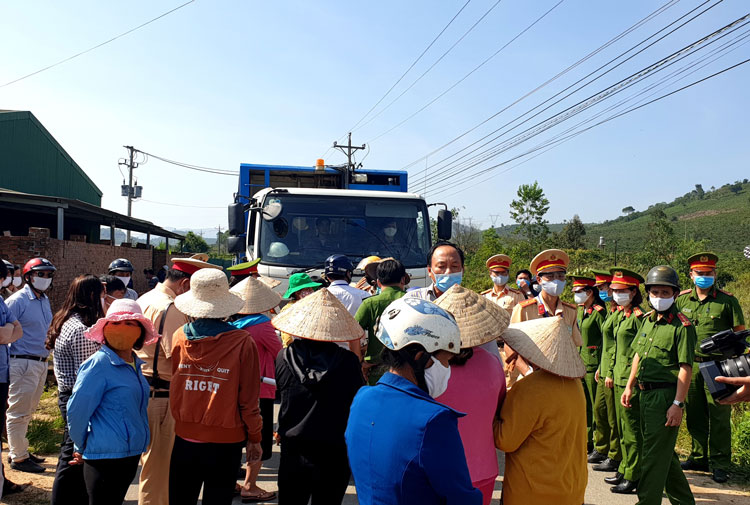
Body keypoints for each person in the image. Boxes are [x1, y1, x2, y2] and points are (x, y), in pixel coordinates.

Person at [346, 296, 482, 505]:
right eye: (445, 360)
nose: (447, 369)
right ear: (420, 357)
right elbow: (461, 498)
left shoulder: (362, 398)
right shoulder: (434, 420)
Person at [169, 268, 263, 505]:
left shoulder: (180, 336)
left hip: (184, 436)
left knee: (180, 499)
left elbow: (176, 383)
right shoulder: (243, 342)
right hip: (226, 442)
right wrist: (255, 437)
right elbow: (249, 399)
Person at [135, 254, 222, 505]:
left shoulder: (146, 298)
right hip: (162, 394)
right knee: (158, 470)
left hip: (147, 388)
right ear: (185, 285)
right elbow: (178, 356)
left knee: (152, 464)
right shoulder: (170, 308)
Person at [272, 289, 365, 504]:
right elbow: (356, 402)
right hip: (333, 450)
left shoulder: (283, 356)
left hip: (292, 448)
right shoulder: (348, 362)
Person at [67, 299, 154, 505]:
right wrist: (81, 445)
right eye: (115, 323)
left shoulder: (134, 363)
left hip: (130, 453)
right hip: (103, 457)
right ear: (105, 329)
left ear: (140, 332)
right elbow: (77, 411)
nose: (122, 328)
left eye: (130, 324)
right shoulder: (98, 364)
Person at [621, 265, 696, 505]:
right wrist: (630, 386)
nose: (659, 297)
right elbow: (637, 355)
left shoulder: (682, 326)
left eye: (665, 293)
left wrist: (678, 404)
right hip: (643, 395)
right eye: (655, 292)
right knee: (662, 453)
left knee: (652, 457)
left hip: (665, 396)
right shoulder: (647, 320)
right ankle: (684, 502)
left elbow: (685, 367)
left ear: (675, 294)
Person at [495, 316, 588, 505]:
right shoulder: (575, 384)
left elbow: (505, 440)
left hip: (534, 492)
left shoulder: (530, 388)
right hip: (571, 489)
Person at [434, 285, 509, 505]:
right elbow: (499, 405)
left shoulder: (429, 366)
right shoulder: (492, 362)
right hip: (483, 466)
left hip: (440, 467)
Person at [677, 252, 745, 483]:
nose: (704, 277)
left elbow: (740, 335)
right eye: (700, 274)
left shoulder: (727, 301)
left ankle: (720, 463)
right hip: (690, 366)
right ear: (691, 275)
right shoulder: (682, 300)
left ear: (715, 274)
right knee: (694, 414)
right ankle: (698, 457)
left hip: (719, 367)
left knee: (719, 415)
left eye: (708, 273)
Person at [47, 275, 105, 504]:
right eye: (101, 295)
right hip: (77, 396)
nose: (103, 299)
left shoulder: (65, 319)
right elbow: (90, 371)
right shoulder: (80, 329)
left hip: (68, 394)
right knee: (71, 452)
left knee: (73, 450)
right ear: (91, 296)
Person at [229, 276, 283, 503]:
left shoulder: (231, 325)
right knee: (257, 439)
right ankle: (250, 486)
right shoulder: (263, 326)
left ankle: (232, 481)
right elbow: (279, 352)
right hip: (261, 388)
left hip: (233, 389)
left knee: (234, 438)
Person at [5, 257, 56, 473]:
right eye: (40, 274)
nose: (45, 278)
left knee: (29, 410)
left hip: (40, 361)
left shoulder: (43, 299)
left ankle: (19, 449)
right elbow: (6, 328)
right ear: (28, 277)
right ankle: (18, 457)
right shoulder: (17, 301)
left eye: (48, 275)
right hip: (22, 361)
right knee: (18, 411)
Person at [509, 249, 581, 384]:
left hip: (563, 380)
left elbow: (574, 347)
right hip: (531, 380)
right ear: (539, 280)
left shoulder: (570, 311)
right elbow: (510, 346)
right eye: (550, 276)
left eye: (560, 276)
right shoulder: (524, 309)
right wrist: (528, 372)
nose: (556, 281)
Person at [604, 268, 645, 494]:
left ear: (633, 291)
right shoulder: (621, 314)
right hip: (618, 376)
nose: (616, 294)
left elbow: (639, 353)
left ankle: (633, 475)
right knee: (621, 429)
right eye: (614, 290)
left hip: (630, 379)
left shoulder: (639, 317)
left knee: (631, 432)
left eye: (621, 291)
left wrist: (631, 382)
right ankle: (624, 467)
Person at [569, 274, 607, 457]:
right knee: (583, 405)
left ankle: (600, 445)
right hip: (581, 362)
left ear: (589, 292)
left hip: (594, 365)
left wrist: (602, 364)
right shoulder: (579, 310)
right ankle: (586, 441)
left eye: (579, 292)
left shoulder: (599, 312)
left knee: (596, 407)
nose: (576, 295)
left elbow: (606, 339)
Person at [589, 269, 622, 470]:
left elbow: (619, 347)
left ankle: (615, 454)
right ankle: (602, 448)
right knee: (599, 410)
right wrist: (602, 367)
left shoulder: (625, 313)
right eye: (600, 288)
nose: (604, 291)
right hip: (604, 368)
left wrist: (609, 370)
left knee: (613, 416)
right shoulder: (611, 311)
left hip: (615, 371)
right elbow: (606, 345)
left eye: (605, 287)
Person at [355, 258, 408, 385]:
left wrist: (361, 362)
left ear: (378, 282)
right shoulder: (412, 300)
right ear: (403, 280)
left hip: (375, 371)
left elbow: (353, 334)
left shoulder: (369, 304)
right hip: (407, 369)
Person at [0, 261, 25, 496]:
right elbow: (7, 332)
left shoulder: (0, 301)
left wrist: (7, 332)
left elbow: (16, 330)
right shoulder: (11, 300)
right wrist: (7, 331)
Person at [279, 272, 322, 347]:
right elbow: (288, 338)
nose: (311, 291)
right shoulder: (288, 310)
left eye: (311, 289)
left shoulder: (315, 305)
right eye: (308, 289)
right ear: (297, 292)